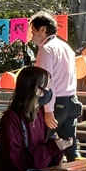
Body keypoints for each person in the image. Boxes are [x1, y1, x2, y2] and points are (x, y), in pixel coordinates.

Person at [32, 11, 80, 161]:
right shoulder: (66, 47)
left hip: (55, 102)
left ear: (42, 30)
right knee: (70, 146)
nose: (32, 35)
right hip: (71, 100)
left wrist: (48, 109)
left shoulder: (46, 49)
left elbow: (46, 82)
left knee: (38, 140)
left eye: (33, 31)